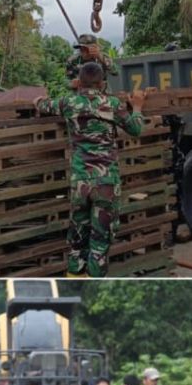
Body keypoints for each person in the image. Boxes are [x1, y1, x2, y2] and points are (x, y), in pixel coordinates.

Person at [33, 63, 147, 277]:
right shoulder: (112, 104)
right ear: (102, 83)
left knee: (77, 238)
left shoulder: (68, 102)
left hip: (81, 182)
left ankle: (74, 280)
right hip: (106, 182)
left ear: (79, 82)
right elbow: (136, 129)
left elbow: (42, 104)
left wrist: (38, 100)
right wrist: (138, 107)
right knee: (100, 241)